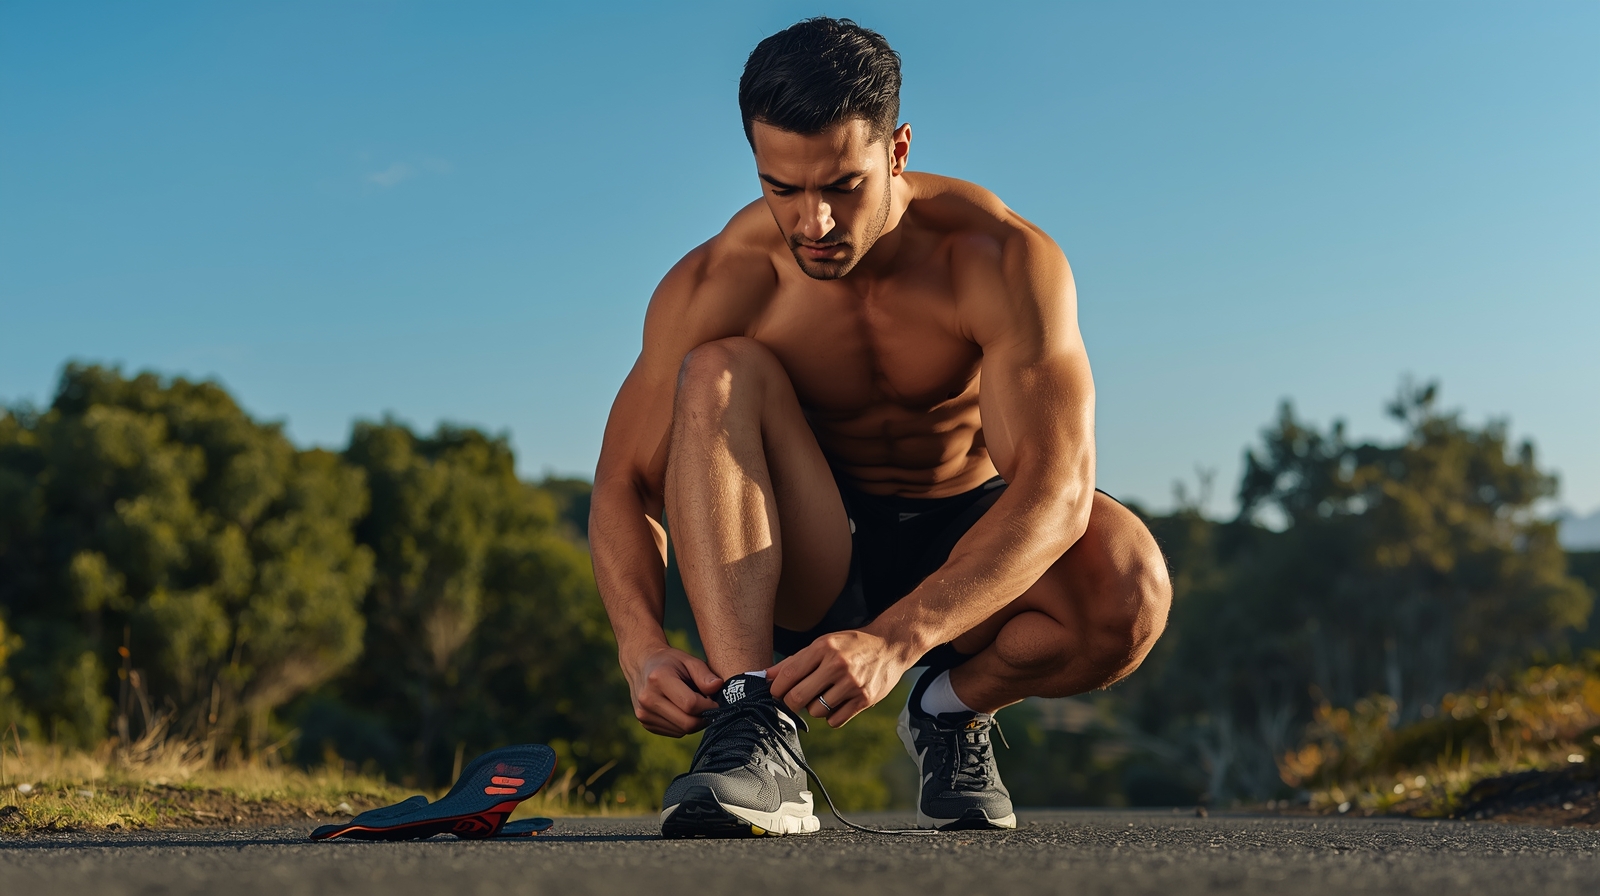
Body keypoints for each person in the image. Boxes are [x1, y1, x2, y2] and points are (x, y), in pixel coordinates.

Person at [590, 17, 1171, 838]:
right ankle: (753, 727)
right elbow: (622, 481)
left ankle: (948, 711)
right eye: (781, 188)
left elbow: (1057, 488)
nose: (812, 224)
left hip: (963, 530)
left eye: (842, 186)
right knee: (719, 369)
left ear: (897, 151)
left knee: (1130, 592)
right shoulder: (722, 280)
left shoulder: (999, 259)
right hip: (810, 546)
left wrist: (900, 643)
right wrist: (640, 645)